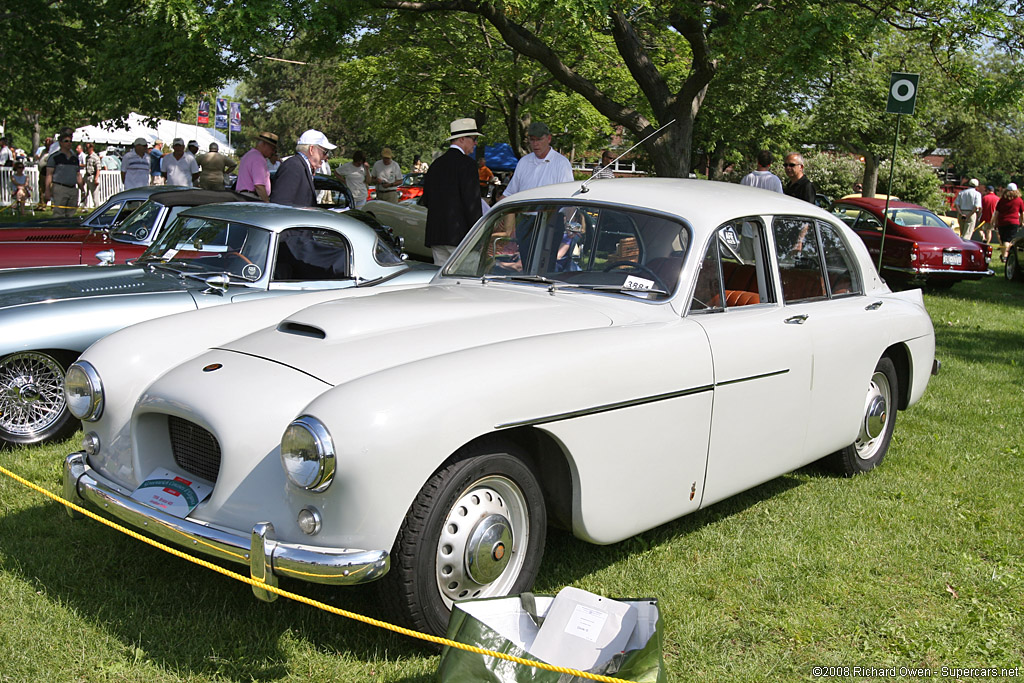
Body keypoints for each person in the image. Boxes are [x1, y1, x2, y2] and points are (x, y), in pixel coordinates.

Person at [421, 118, 484, 265]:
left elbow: (427, 200)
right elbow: (472, 205)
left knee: (442, 284)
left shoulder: (436, 164)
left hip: (437, 235)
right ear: (462, 139)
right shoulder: (468, 165)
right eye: (474, 139)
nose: (475, 143)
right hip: (461, 237)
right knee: (465, 283)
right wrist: (479, 236)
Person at [498, 121, 574, 199]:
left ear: (549, 139)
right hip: (523, 210)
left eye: (539, 139)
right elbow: (508, 194)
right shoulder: (524, 162)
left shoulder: (562, 164)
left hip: (550, 210)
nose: (535, 143)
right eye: (532, 139)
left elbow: (568, 199)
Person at [270, 129, 335, 207]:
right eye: (325, 152)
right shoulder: (293, 166)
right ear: (311, 150)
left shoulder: (301, 166)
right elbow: (281, 204)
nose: (326, 157)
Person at [45, 133, 84, 217]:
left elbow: (78, 175)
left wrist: (82, 189)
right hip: (60, 188)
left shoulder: (75, 158)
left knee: (71, 214)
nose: (69, 143)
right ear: (60, 143)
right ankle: (58, 230)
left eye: (70, 141)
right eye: (66, 141)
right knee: (59, 214)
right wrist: (47, 190)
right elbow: (49, 175)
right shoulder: (54, 157)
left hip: (73, 189)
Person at [236, 131, 278, 201]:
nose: (273, 152)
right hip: (251, 198)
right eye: (272, 148)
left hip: (243, 196)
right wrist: (267, 202)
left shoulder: (249, 155)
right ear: (264, 144)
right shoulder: (258, 158)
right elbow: (259, 185)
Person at [995, 183, 1024, 263]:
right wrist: (1022, 222)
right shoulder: (1019, 200)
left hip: (1002, 222)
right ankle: (1005, 256)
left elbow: (997, 212)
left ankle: (1004, 256)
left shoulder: (1002, 200)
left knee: (1003, 240)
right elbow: (1022, 213)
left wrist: (995, 222)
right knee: (1008, 240)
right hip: (1013, 222)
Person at [84, 143, 102, 208]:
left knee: (94, 194)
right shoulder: (87, 157)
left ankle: (96, 207)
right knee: (85, 192)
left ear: (91, 148)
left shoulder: (95, 157)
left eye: (87, 147)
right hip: (87, 176)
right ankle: (85, 207)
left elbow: (98, 168)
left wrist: (96, 178)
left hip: (93, 176)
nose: (86, 149)